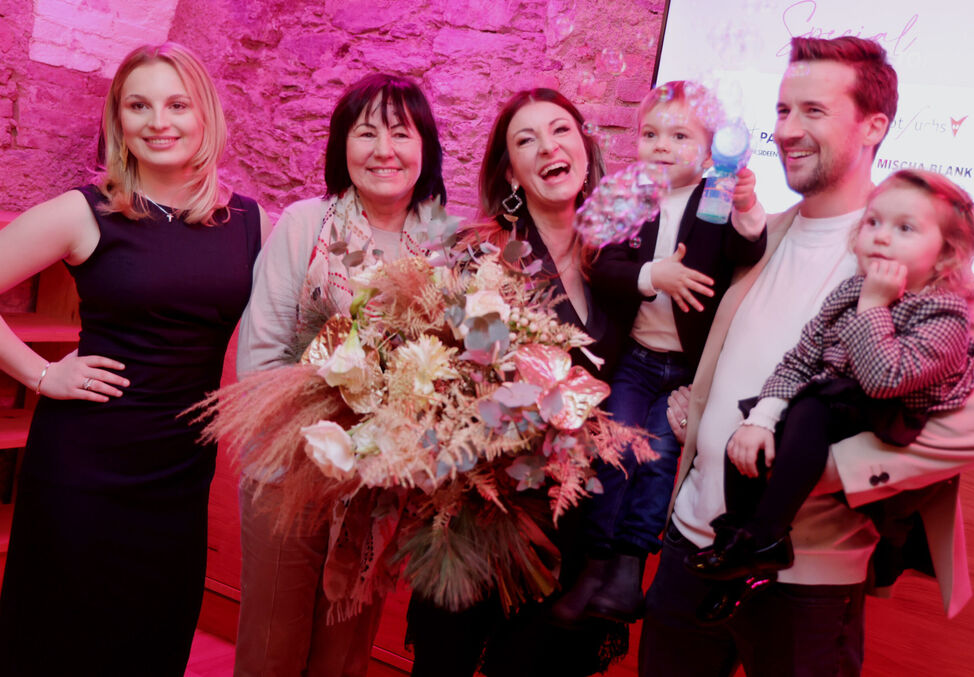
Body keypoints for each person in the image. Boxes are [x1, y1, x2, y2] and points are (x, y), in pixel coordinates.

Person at [640, 36, 974, 677]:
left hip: (808, 581)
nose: (787, 130)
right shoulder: (766, 232)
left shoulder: (910, 253)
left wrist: (827, 469)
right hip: (692, 547)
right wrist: (695, 408)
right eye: (783, 110)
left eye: (813, 110)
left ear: (873, 126)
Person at [0, 43, 267, 676]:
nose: (158, 122)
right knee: (58, 639)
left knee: (152, 637)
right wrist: (42, 374)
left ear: (205, 114)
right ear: (118, 119)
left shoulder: (247, 221)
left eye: (177, 105)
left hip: (180, 471)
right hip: (83, 466)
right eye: (138, 106)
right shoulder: (86, 211)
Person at [405, 88, 629, 677]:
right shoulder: (479, 255)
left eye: (560, 130)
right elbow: (434, 376)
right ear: (511, 173)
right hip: (479, 509)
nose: (548, 147)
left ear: (585, 149)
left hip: (572, 516)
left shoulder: (621, 260)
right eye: (526, 140)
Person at [686, 170, 974, 611]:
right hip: (835, 402)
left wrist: (874, 305)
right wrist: (761, 420)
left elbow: (885, 379)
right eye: (873, 222)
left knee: (812, 407)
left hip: (888, 415)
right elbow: (801, 358)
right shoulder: (850, 290)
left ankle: (765, 537)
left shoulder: (944, 315)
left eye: (905, 228)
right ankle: (743, 552)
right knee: (744, 442)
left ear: (946, 256)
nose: (882, 236)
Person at [233, 73, 447, 677]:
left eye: (401, 133)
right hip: (288, 471)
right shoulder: (306, 223)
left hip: (379, 490)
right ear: (341, 145)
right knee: (271, 650)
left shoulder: (444, 245)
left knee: (345, 656)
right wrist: (327, 439)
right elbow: (261, 358)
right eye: (366, 133)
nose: (384, 150)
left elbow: (452, 368)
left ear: (425, 148)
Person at [552, 80, 767, 624]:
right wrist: (654, 275)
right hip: (636, 360)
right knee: (615, 451)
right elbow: (601, 267)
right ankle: (594, 566)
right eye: (650, 134)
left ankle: (629, 573)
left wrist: (746, 206)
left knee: (657, 462)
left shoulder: (716, 198)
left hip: (687, 372)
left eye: (680, 136)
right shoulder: (629, 199)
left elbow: (747, 251)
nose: (662, 146)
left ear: (713, 150)